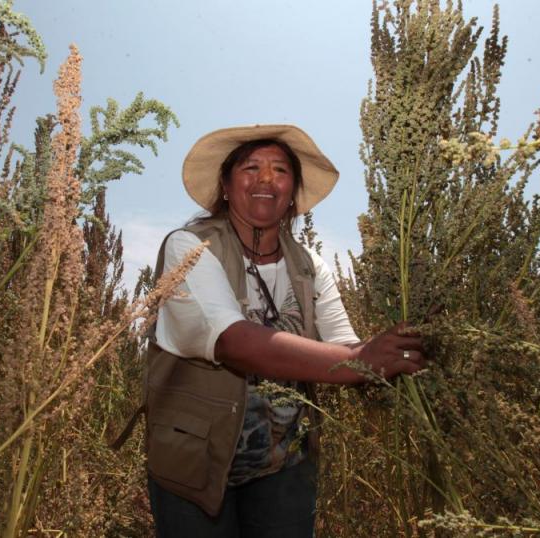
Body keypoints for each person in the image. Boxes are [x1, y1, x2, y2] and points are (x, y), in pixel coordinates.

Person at [144, 124, 426, 537]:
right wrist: (361, 360)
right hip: (195, 463)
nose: (265, 179)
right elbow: (232, 341)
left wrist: (398, 350)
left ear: (292, 192)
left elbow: (344, 346)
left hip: (285, 464)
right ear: (224, 185)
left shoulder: (311, 266)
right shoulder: (189, 248)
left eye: (279, 170)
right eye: (250, 167)